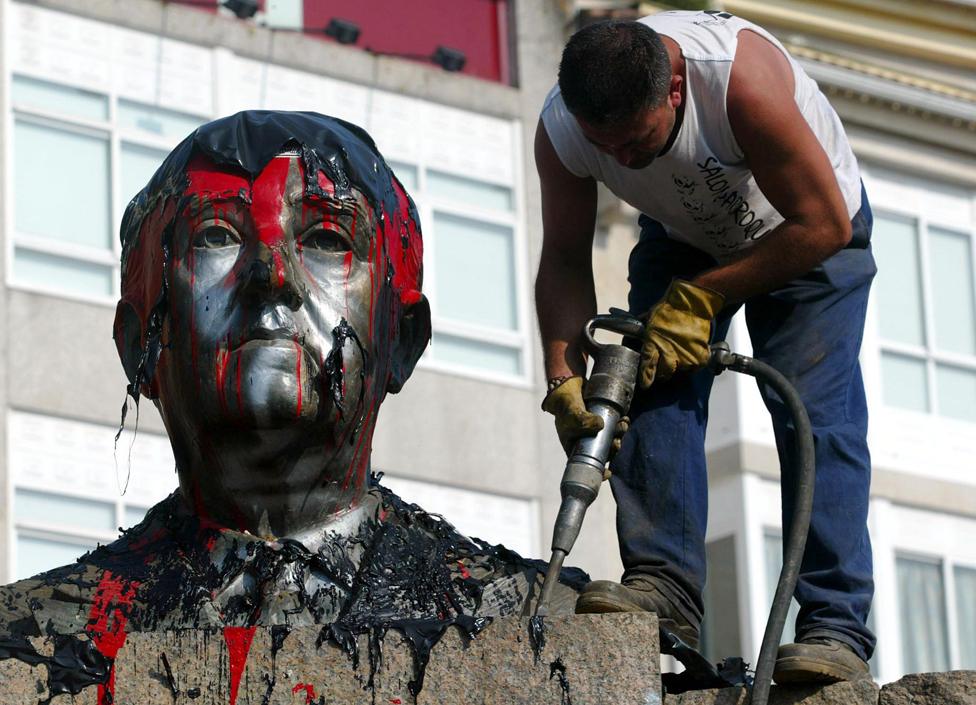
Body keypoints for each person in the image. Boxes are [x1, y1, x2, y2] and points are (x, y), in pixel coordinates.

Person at [0, 112, 582, 657]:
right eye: (216, 236)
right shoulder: (33, 637)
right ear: (137, 348)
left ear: (401, 340)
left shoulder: (539, 621)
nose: (272, 275)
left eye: (328, 240)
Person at [535, 11, 876, 683]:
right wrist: (562, 375)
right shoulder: (563, 132)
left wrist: (701, 298)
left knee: (815, 417)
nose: (624, 161)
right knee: (649, 378)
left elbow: (826, 222)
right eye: (610, 149)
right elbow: (565, 260)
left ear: (674, 88)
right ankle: (663, 588)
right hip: (687, 232)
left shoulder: (739, 80)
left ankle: (835, 626)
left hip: (805, 228)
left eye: (637, 142)